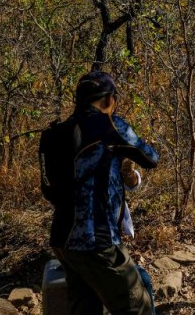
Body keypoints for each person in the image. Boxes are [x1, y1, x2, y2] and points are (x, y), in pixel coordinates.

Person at [49, 71, 159, 314]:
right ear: (109, 100)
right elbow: (151, 158)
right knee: (136, 307)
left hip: (62, 239)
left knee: (84, 307)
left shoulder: (61, 130)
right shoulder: (109, 125)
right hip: (96, 241)